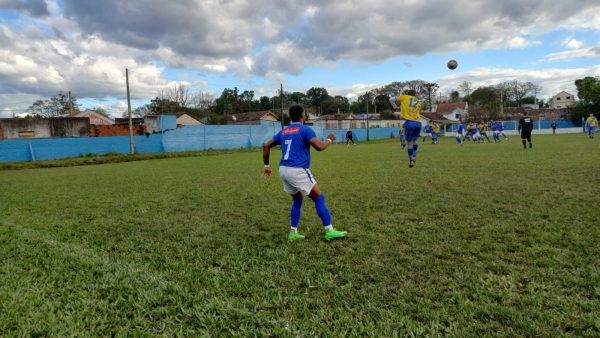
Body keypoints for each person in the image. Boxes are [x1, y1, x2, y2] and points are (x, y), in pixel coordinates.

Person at [262, 105, 347, 241]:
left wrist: (266, 165)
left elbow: (266, 145)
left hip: (283, 170)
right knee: (319, 198)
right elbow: (319, 147)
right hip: (297, 170)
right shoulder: (305, 129)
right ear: (302, 115)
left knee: (297, 199)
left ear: (290, 116)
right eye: (305, 114)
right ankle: (329, 230)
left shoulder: (283, 132)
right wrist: (330, 139)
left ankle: (293, 232)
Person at [390, 90, 422, 168]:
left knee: (409, 143)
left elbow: (391, 99)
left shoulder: (404, 97)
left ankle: (411, 160)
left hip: (410, 122)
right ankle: (414, 156)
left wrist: (395, 107)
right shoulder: (419, 101)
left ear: (407, 94)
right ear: (415, 95)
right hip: (418, 123)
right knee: (415, 141)